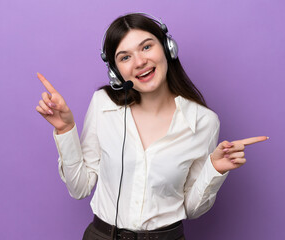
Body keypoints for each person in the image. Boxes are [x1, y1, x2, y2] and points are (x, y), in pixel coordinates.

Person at [36, 13, 268, 240]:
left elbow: (191, 209)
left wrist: (215, 169)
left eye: (146, 47)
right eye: (125, 57)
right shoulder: (103, 105)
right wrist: (65, 130)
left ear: (168, 48)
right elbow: (79, 188)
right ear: (115, 72)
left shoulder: (203, 122)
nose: (139, 62)